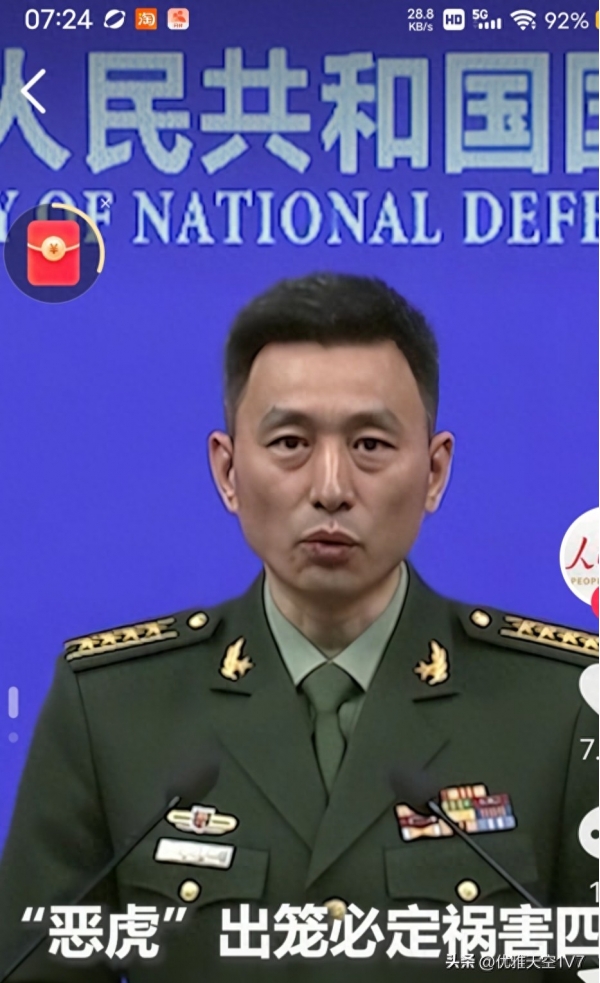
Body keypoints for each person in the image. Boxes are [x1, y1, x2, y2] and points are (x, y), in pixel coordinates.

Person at [0, 273, 596, 983]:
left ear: (435, 472)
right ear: (228, 471)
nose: (331, 487)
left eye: (370, 444)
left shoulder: (564, 705)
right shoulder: (111, 708)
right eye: (290, 442)